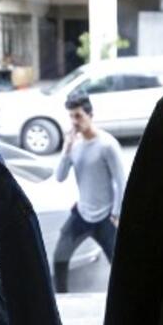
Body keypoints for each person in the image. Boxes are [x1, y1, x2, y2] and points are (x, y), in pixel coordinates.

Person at [52, 93, 126, 292]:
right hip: (82, 215)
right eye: (71, 116)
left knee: (121, 267)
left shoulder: (107, 145)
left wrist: (117, 214)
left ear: (90, 114)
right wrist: (66, 149)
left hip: (106, 217)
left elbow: (121, 181)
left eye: (78, 116)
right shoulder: (74, 145)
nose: (75, 122)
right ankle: (62, 301)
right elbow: (59, 176)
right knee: (59, 258)